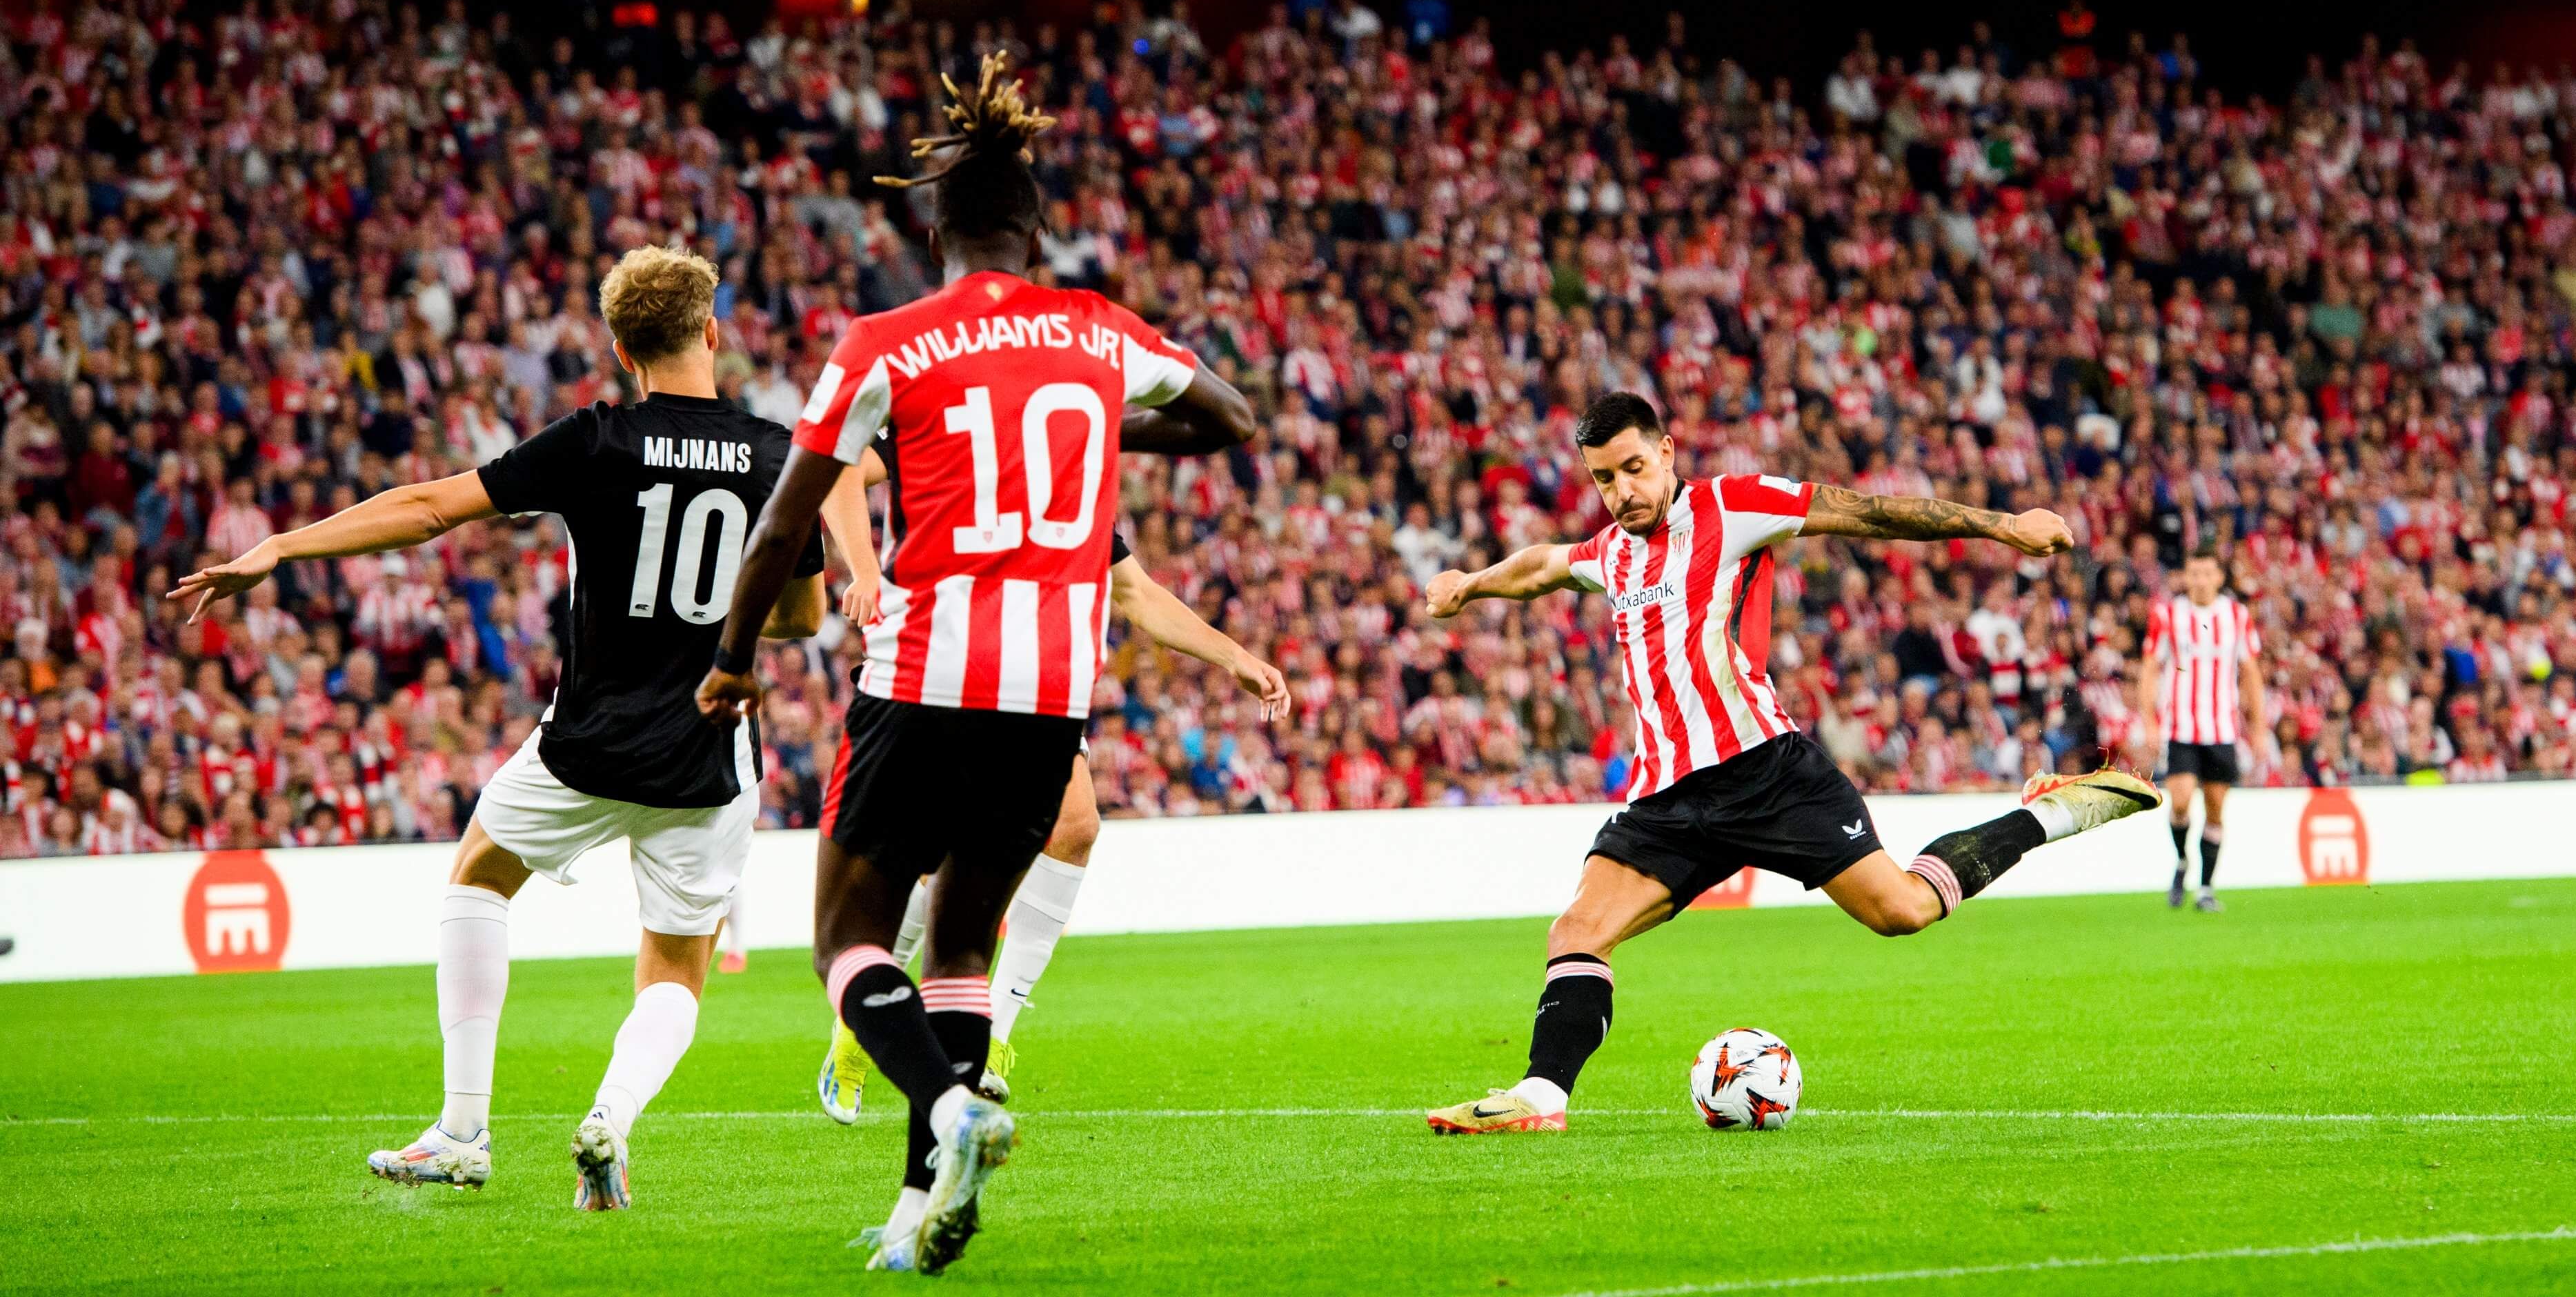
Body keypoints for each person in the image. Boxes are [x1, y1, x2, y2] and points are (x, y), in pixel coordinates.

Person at [695, 55, 1256, 1275]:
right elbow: (1232, 416)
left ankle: (951, 1112)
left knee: (845, 935)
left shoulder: (887, 339)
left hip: (924, 675)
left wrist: (734, 657)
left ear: (935, 225)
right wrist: (1105, 420)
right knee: (960, 946)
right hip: (1052, 689)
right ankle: (920, 1202)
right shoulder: (1097, 329)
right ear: (1039, 228)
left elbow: (789, 516)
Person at [168, 246, 872, 1209]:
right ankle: (610, 1122)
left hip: (585, 743)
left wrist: (280, 547)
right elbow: (796, 621)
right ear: (713, 334)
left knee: (478, 877)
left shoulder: (595, 441)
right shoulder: (772, 455)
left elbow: (426, 510)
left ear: (625, 352)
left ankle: (462, 1129)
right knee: (677, 964)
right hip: (706, 757)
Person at [1416, 392, 2159, 1135]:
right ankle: (1539, 1099)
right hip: (1667, 799)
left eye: (1634, 469)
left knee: (1900, 910)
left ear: (1668, 452)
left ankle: (2053, 811)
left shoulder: (1734, 507)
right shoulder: (1610, 554)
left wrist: (2003, 526)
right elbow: (1541, 565)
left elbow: (1866, 511)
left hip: (1768, 773)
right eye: (1604, 479)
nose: (1622, 493)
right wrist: (1471, 584)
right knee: (1576, 930)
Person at [815, 528, 1291, 1122]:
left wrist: (1236, 658)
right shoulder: (947, 448)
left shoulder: (1069, 478)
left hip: (1037, 686)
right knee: (932, 864)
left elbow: (1135, 592)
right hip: (938, 670)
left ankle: (995, 1041)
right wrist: (863, 564)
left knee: (1076, 827)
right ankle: (859, 1031)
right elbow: (846, 457)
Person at [2139, 544, 2273, 913]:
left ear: (2219, 577)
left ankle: (2207, 888)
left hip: (2222, 729)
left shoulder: (2236, 615)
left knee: (2215, 810)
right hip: (2182, 727)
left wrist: (2258, 728)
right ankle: (2182, 860)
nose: (2199, 580)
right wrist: (2150, 720)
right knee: (2180, 802)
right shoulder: (2167, 614)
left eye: (2206, 573)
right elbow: (2150, 668)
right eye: (2193, 573)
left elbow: (2251, 673)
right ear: (2186, 575)